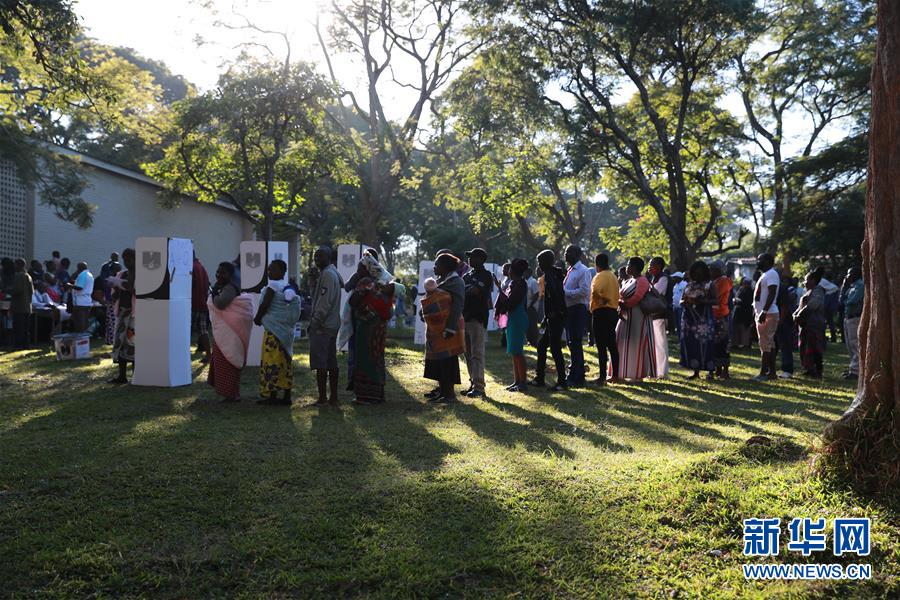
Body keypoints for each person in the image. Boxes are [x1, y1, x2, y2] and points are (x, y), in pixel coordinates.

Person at [254, 260, 301, 406]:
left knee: (271, 361)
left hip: (273, 332)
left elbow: (265, 304)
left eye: (273, 270)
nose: (270, 272)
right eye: (268, 270)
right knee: (285, 362)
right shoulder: (286, 286)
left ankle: (272, 395)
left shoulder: (273, 285)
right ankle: (287, 396)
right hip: (286, 331)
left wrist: (258, 318)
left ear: (282, 272)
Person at [207, 261, 253, 402]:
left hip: (230, 333)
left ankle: (231, 394)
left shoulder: (230, 288)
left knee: (229, 360)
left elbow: (221, 304)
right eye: (218, 271)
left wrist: (212, 294)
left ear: (230, 275)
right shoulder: (223, 286)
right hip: (225, 332)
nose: (219, 275)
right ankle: (230, 394)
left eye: (223, 272)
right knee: (224, 361)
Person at [424, 253, 465, 403]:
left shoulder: (456, 282)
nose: (434, 267)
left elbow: (457, 306)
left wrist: (450, 328)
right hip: (437, 329)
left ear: (446, 266)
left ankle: (450, 394)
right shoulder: (439, 281)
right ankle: (442, 392)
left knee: (448, 361)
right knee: (439, 361)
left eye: (437, 264)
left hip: (449, 327)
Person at [309, 246, 343, 406]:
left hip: (323, 325)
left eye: (320, 256)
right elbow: (317, 297)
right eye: (316, 256)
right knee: (330, 360)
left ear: (329, 258)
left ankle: (323, 398)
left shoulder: (328, 275)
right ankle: (333, 398)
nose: (317, 259)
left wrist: (315, 322)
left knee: (321, 362)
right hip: (330, 324)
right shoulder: (327, 273)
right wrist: (312, 281)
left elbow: (324, 302)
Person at [531, 250, 568, 391]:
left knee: (555, 348)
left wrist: (552, 314)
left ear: (546, 262)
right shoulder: (553, 274)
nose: (538, 264)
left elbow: (556, 296)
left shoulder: (551, 276)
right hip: (553, 317)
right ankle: (539, 378)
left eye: (540, 261)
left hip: (555, 317)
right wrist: (546, 317)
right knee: (542, 346)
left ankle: (562, 382)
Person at [615, 257, 656, 381]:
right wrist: (620, 304)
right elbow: (621, 295)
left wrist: (625, 304)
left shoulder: (642, 280)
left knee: (636, 343)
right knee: (622, 341)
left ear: (636, 267)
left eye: (629, 265)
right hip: (625, 315)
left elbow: (638, 297)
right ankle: (622, 371)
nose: (627, 267)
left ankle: (637, 374)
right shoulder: (629, 280)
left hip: (638, 316)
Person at [462, 248, 493, 399]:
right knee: (467, 354)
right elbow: (463, 291)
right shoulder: (467, 275)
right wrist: (466, 290)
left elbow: (475, 291)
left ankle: (479, 387)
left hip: (477, 318)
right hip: (465, 318)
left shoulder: (486, 275)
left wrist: (465, 290)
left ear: (481, 259)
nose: (469, 259)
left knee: (477, 354)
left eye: (473, 257)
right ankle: (473, 383)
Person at [679, 261, 716, 380]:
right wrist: (685, 302)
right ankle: (696, 372)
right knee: (692, 344)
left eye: (700, 273)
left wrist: (701, 301)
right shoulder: (689, 285)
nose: (698, 275)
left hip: (704, 320)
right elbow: (681, 300)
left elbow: (716, 301)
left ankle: (710, 372)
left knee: (706, 344)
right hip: (689, 319)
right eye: (695, 273)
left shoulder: (710, 285)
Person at [496, 258, 530, 392]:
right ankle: (517, 381)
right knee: (514, 351)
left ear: (513, 270)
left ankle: (523, 382)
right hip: (513, 318)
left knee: (517, 351)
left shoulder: (521, 284)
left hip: (518, 318)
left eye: (509, 268)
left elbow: (511, 303)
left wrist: (499, 289)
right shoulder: (514, 283)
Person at [563, 245, 592, 386]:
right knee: (571, 343)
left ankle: (577, 376)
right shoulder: (570, 270)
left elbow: (584, 291)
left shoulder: (583, 270)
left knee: (575, 342)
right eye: (565, 252)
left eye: (569, 252)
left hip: (578, 309)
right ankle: (576, 372)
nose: (565, 254)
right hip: (570, 310)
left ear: (578, 254)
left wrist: (566, 293)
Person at [590, 253, 620, 385]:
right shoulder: (613, 276)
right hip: (613, 312)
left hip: (601, 312)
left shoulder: (600, 275)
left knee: (601, 346)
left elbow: (595, 290)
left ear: (596, 264)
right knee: (612, 345)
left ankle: (602, 377)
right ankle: (615, 375)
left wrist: (601, 300)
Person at [108, 249, 135, 384]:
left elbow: (135, 289)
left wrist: (122, 284)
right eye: (125, 259)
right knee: (120, 343)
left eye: (130, 259)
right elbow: (114, 294)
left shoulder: (141, 274)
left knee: (133, 343)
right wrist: (115, 285)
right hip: (122, 312)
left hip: (135, 315)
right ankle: (122, 376)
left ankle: (136, 375)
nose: (127, 262)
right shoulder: (121, 274)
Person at [752, 253, 781, 381]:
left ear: (768, 261)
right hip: (764, 313)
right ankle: (772, 373)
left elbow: (772, 292)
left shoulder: (771, 274)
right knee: (769, 343)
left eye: (760, 260)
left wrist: (764, 311)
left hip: (768, 313)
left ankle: (763, 373)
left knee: (765, 343)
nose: (758, 262)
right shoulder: (765, 275)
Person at [794, 270, 827, 379]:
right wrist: (795, 314)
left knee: (815, 348)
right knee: (805, 347)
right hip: (806, 325)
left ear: (813, 280)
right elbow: (801, 306)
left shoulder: (818, 291)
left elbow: (812, 305)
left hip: (814, 325)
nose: (805, 282)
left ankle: (817, 370)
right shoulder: (808, 291)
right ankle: (808, 368)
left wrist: (800, 314)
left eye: (806, 280)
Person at [709, 260, 733, 380]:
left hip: (721, 315)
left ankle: (725, 371)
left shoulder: (724, 281)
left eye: (712, 270)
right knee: (714, 343)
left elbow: (714, 295)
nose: (710, 272)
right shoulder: (715, 281)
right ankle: (717, 369)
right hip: (713, 315)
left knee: (723, 343)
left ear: (718, 271)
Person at [647, 257, 670, 378]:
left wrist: (648, 286)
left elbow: (656, 292)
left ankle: (662, 371)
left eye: (652, 265)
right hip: (653, 314)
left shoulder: (663, 278)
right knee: (653, 343)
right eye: (650, 265)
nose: (650, 267)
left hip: (660, 314)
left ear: (659, 266)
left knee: (661, 344)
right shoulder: (653, 277)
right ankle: (654, 370)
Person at [840, 267, 863, 380]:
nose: (847, 276)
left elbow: (852, 301)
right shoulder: (851, 287)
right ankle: (852, 368)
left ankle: (856, 371)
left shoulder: (861, 286)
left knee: (855, 344)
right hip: (848, 318)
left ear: (855, 274)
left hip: (855, 318)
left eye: (849, 274)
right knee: (849, 344)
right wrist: (844, 286)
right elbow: (842, 299)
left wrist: (844, 301)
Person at [774, 273, 798, 379]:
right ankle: (771, 367)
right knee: (774, 345)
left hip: (782, 320)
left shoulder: (781, 288)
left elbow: (784, 306)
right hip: (775, 318)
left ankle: (787, 369)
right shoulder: (776, 287)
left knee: (785, 345)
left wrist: (781, 320)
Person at [191, 253, 212, 363]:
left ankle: (182, 354)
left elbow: (190, 284)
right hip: (203, 303)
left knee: (186, 331)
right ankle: (209, 355)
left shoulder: (191, 267)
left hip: (193, 304)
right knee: (203, 331)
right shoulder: (201, 267)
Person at [10, 259, 34, 349]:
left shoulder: (18, 275)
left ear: (18, 265)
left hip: (19, 306)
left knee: (18, 327)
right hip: (27, 306)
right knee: (25, 328)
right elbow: (32, 291)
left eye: (15, 264)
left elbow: (17, 290)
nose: (14, 266)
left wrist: (9, 291)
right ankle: (26, 345)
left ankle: (18, 345)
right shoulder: (28, 276)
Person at [69, 261, 94, 333]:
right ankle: (85, 337)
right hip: (87, 301)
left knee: (79, 323)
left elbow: (80, 287)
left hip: (80, 302)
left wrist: (70, 285)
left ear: (79, 268)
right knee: (85, 322)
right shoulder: (89, 274)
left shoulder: (82, 275)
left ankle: (80, 337)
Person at [816, 270, 841, 342]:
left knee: (824, 323)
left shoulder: (822, 283)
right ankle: (832, 338)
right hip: (830, 307)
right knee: (830, 323)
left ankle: (825, 337)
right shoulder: (833, 287)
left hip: (826, 307)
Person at [732, 278, 754, 350]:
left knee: (745, 329)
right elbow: (736, 297)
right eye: (745, 283)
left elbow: (749, 302)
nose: (745, 285)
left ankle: (745, 344)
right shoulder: (741, 289)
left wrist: (740, 302)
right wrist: (735, 300)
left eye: (747, 283)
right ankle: (735, 343)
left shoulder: (751, 291)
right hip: (738, 312)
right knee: (736, 328)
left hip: (746, 313)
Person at [493, 262, 511, 348]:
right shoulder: (505, 280)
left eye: (505, 269)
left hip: (507, 305)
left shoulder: (511, 281)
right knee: (503, 324)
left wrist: (499, 287)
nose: (503, 270)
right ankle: (504, 341)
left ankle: (506, 342)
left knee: (507, 324)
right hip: (502, 305)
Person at [525, 267, 541, 347]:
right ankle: (530, 340)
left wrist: (531, 304)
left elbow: (537, 294)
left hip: (532, 307)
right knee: (527, 325)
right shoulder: (526, 281)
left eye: (524, 272)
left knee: (532, 325)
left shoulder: (533, 281)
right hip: (526, 306)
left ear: (528, 272)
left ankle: (534, 341)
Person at [671, 271, 686, 336]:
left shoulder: (684, 284)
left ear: (679, 278)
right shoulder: (675, 285)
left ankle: (682, 336)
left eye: (675, 277)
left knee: (681, 323)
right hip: (675, 307)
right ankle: (679, 337)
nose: (673, 279)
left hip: (681, 307)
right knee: (677, 323)